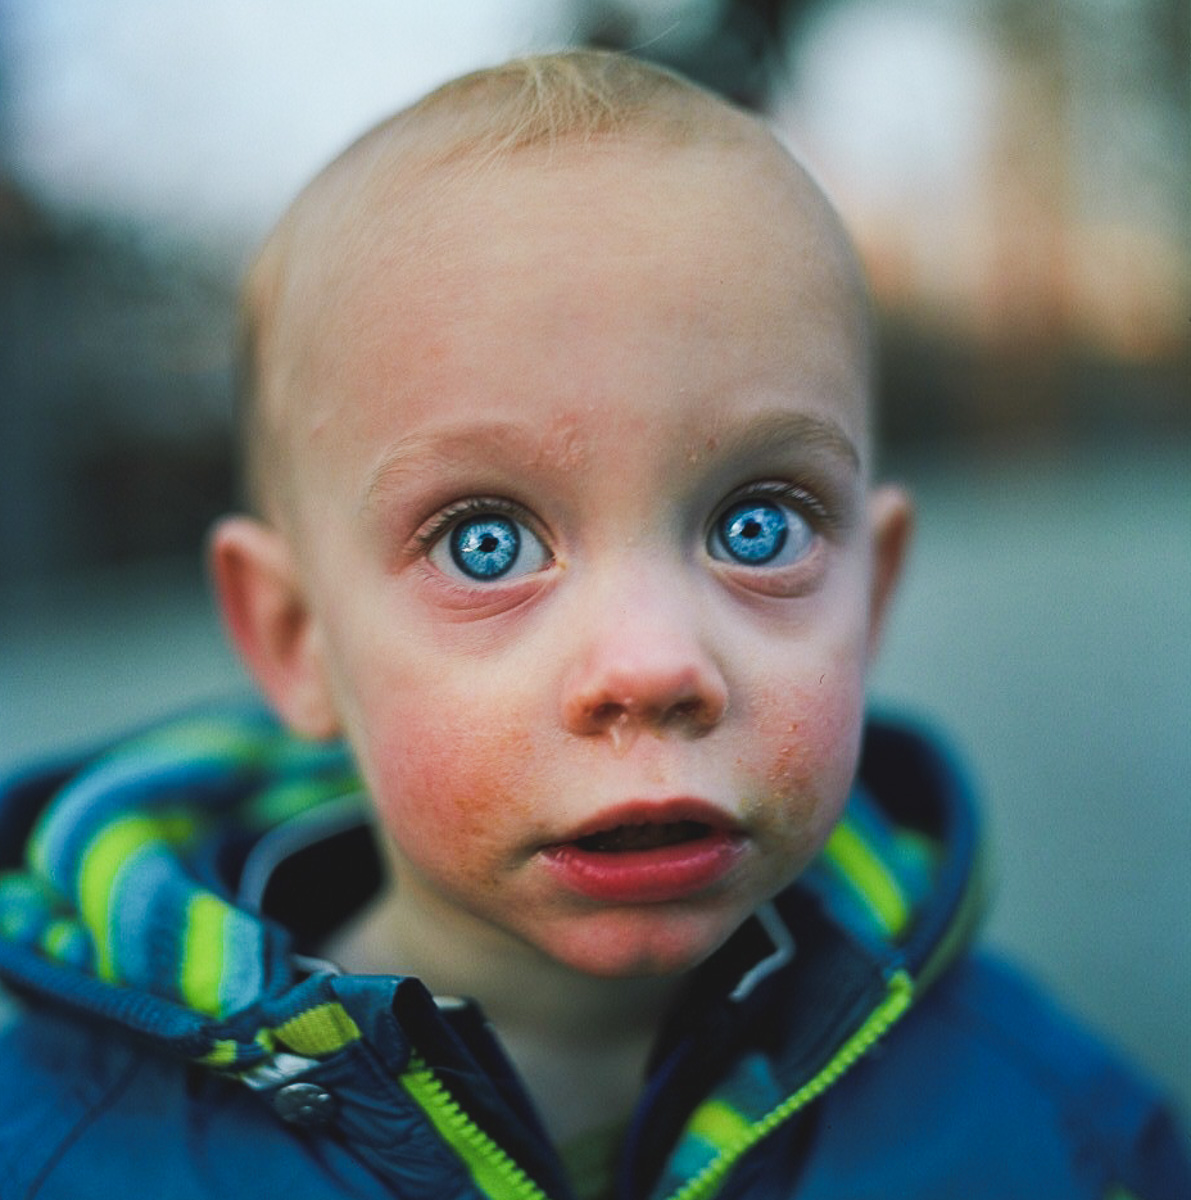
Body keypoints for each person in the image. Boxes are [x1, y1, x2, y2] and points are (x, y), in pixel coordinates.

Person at [0, 50, 1185, 1200]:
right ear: (297, 638)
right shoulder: (63, 1152)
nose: (653, 664)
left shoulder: (1051, 1133)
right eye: (487, 543)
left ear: (869, 598)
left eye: (758, 527)